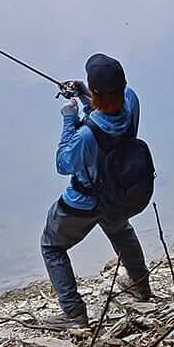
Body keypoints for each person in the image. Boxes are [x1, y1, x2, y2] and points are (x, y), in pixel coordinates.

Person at [40, 53, 153, 329]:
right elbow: (110, 112)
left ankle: (73, 314)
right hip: (117, 194)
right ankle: (140, 286)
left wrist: (69, 118)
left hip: (84, 201)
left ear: (99, 92)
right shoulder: (132, 100)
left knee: (51, 246)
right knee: (120, 231)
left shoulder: (86, 135)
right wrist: (85, 93)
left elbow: (64, 163)